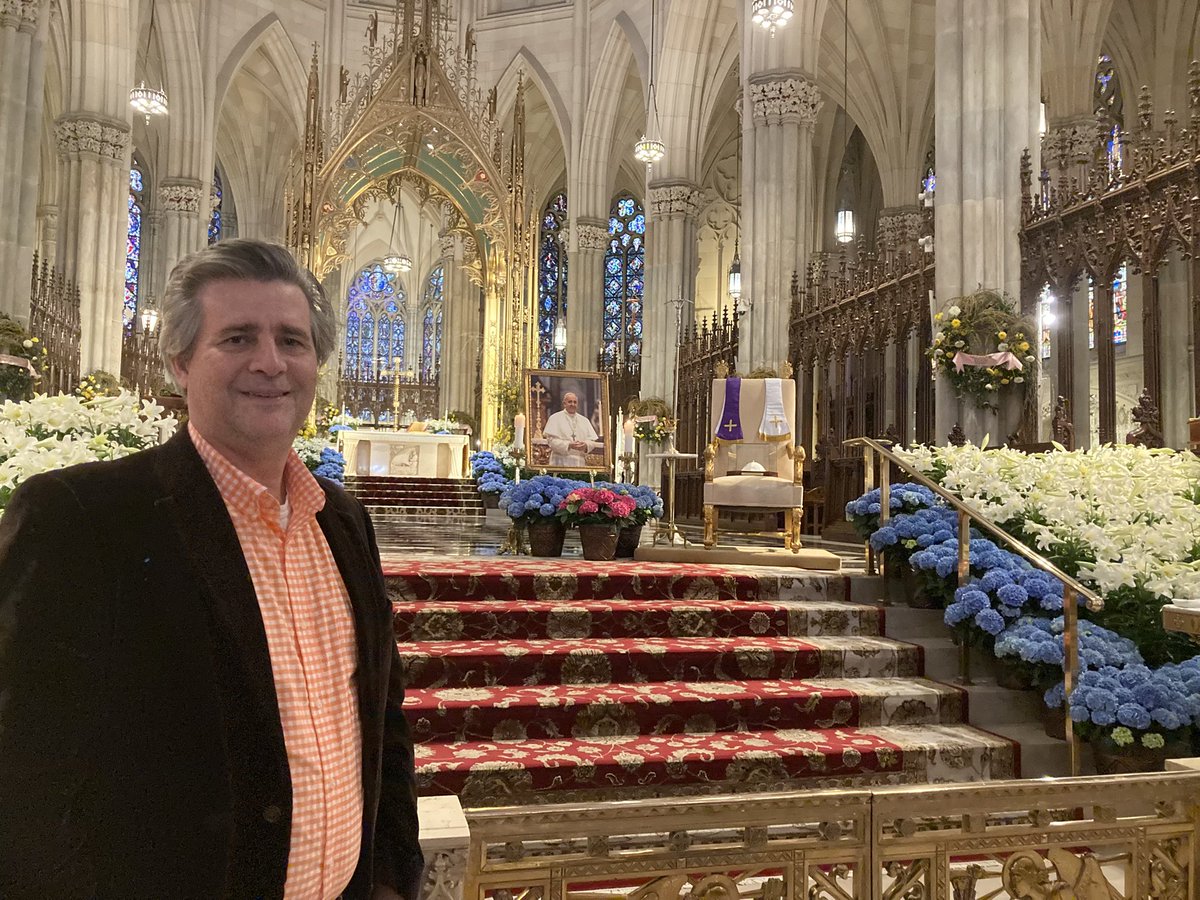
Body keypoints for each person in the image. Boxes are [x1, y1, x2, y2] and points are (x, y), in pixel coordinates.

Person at [0, 239, 423, 899]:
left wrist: (393, 879)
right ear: (179, 361)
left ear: (317, 361)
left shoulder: (342, 522)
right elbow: (22, 767)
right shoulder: (82, 517)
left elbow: (381, 719)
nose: (270, 362)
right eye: (236, 338)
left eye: (292, 340)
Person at [542, 390, 603, 467]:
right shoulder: (555, 418)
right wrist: (569, 445)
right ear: (564, 404)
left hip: (579, 463)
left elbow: (592, 441)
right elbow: (551, 441)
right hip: (560, 462)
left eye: (575, 402)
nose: (572, 404)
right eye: (570, 402)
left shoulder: (584, 420)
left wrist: (586, 445)